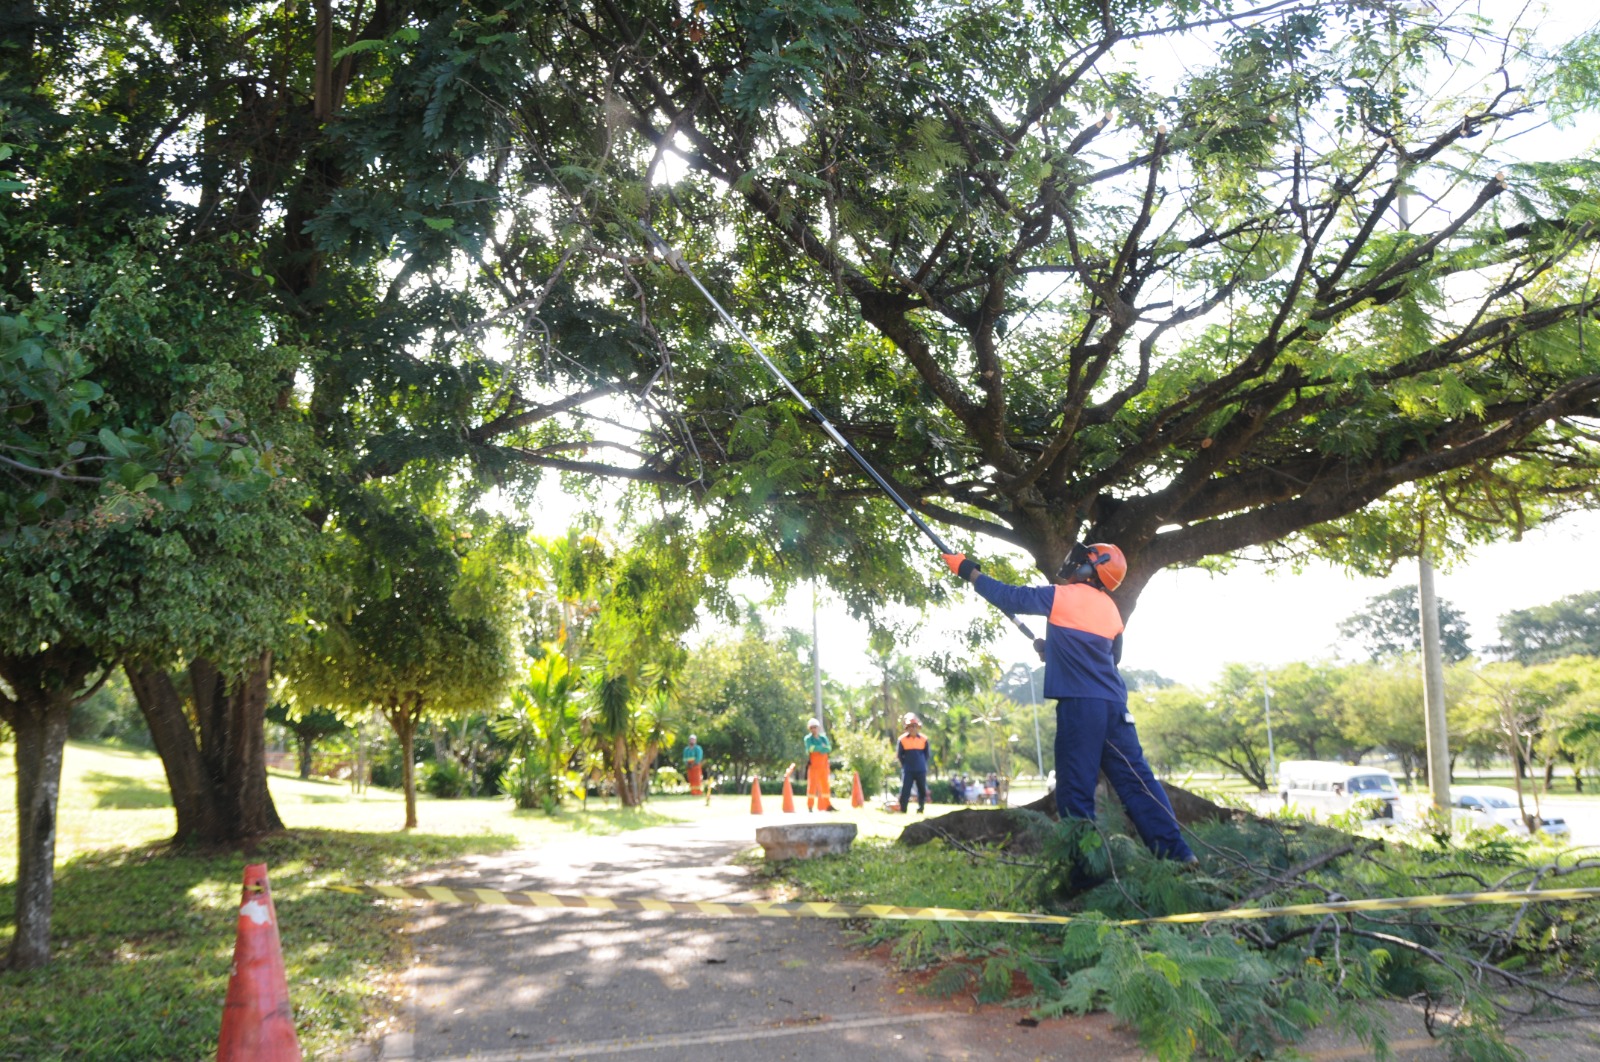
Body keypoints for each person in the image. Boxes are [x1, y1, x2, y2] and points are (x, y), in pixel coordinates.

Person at [942, 543, 1195, 862]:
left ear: (1093, 569)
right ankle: (1178, 855)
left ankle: (1084, 870)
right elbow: (1108, 658)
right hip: (1115, 708)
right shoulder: (1112, 610)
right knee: (1137, 784)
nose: (1074, 564)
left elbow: (1010, 597)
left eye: (1083, 561)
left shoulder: (1062, 596)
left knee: (1075, 793)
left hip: (1081, 708)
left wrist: (968, 570)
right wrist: (1057, 649)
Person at [895, 713, 930, 813]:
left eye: (914, 726)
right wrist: (905, 765)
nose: (912, 729)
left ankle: (921, 808)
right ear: (907, 728)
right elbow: (900, 755)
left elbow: (927, 755)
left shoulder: (924, 739)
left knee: (922, 790)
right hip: (908, 769)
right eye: (910, 726)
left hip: (921, 769)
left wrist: (922, 763)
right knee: (905, 790)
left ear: (918, 727)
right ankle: (903, 809)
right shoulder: (902, 740)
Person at [802, 718, 833, 811]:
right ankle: (810, 806)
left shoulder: (823, 738)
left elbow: (828, 749)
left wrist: (818, 749)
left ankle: (828, 805)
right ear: (809, 729)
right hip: (814, 767)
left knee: (825, 786)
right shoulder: (808, 739)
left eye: (815, 727)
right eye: (811, 728)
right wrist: (821, 748)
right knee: (812, 786)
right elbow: (810, 749)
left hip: (824, 766)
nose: (813, 729)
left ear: (818, 727)